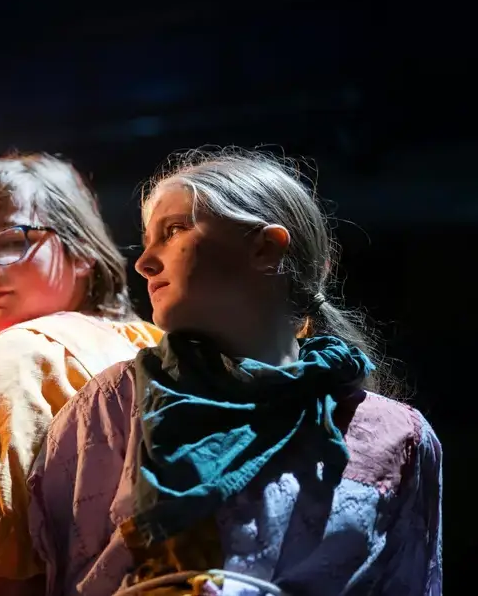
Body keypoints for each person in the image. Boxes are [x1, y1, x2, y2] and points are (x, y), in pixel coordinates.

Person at [28, 147, 442, 596]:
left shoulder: (398, 437)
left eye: (174, 230)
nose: (145, 263)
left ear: (264, 248)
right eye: (147, 241)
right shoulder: (112, 405)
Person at [0, 153, 163, 596]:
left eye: (9, 240)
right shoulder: (162, 343)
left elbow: (5, 571)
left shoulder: (17, 353)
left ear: (82, 250)